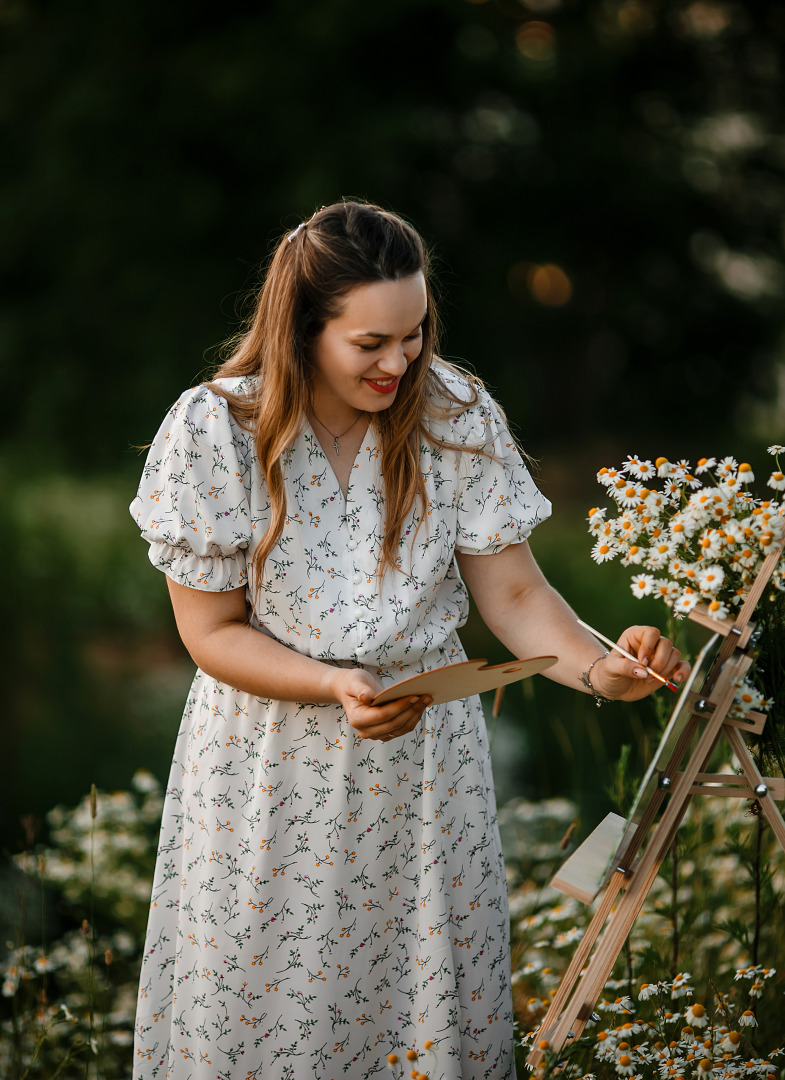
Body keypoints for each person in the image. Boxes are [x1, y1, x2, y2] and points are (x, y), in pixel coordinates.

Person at [130, 201, 688, 1080]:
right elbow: (211, 632)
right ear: (302, 329)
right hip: (268, 771)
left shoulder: (456, 413)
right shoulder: (214, 430)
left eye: (415, 334)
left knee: (418, 1018)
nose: (399, 361)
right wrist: (334, 684)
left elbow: (513, 595)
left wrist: (601, 670)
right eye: (369, 344)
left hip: (426, 775)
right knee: (267, 1014)